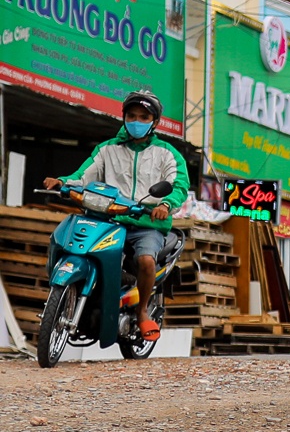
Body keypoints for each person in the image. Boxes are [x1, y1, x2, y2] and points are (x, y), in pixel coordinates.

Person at [43, 89, 190, 342]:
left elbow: (179, 185)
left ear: (154, 122)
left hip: (146, 223)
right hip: (108, 220)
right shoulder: (106, 149)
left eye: (143, 117)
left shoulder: (167, 153)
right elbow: (83, 176)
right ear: (124, 117)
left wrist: (166, 204)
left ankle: (142, 312)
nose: (136, 121)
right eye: (131, 116)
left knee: (146, 260)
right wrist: (63, 182)